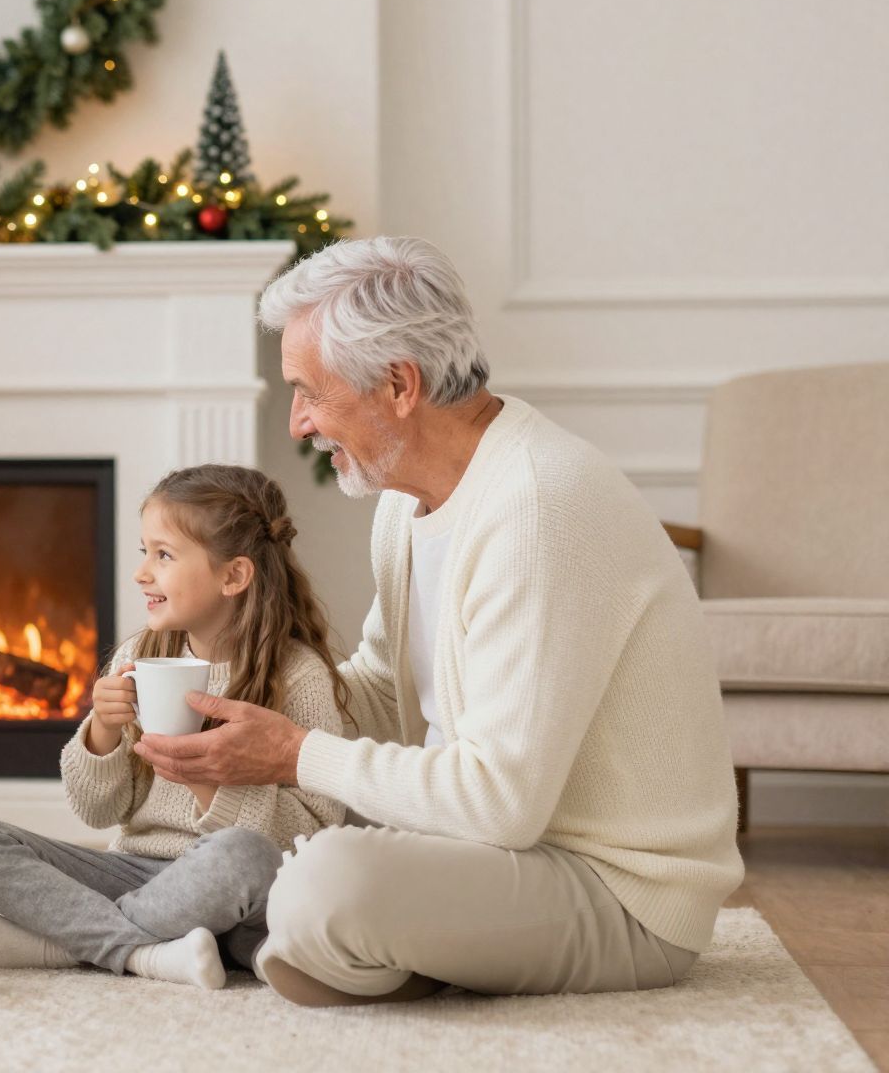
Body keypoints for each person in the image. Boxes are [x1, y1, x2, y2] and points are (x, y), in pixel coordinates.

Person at [131, 237, 744, 1005]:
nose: (297, 424)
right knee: (275, 864)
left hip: (619, 891)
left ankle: (332, 938)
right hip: (491, 851)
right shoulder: (406, 502)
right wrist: (237, 701)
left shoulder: (536, 507)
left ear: (398, 385)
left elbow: (499, 802)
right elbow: (383, 690)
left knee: (321, 883)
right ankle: (355, 943)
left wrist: (292, 755)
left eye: (309, 392)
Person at [0, 464, 350, 988]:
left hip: (230, 881)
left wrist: (208, 778)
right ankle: (152, 951)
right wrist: (102, 733)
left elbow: (314, 835)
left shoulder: (299, 677)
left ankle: (65, 944)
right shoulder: (139, 656)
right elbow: (98, 812)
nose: (141, 573)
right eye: (145, 552)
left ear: (233, 576)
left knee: (243, 857)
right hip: (134, 873)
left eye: (164, 555)